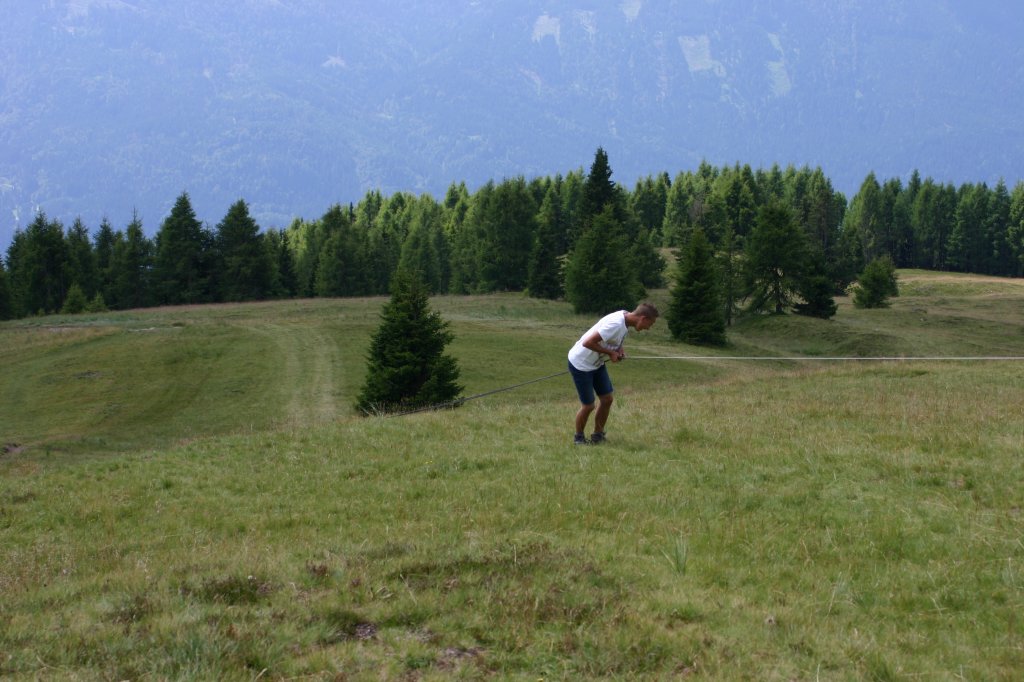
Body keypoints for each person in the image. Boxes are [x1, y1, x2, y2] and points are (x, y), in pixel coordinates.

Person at [567, 303, 659, 445]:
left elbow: (615, 339)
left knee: (607, 399)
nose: (648, 328)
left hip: (596, 363)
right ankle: (578, 439)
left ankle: (598, 436)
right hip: (581, 364)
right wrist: (610, 353)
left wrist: (619, 350)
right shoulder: (616, 324)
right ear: (643, 318)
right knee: (589, 406)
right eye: (650, 324)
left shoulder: (626, 318)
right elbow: (588, 343)